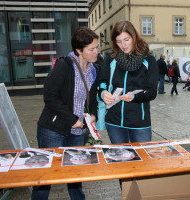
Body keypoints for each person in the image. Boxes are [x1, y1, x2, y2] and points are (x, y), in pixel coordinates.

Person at [31, 27, 100, 200]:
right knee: (46, 175)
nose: (96, 52)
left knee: (75, 173)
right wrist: (71, 120)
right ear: (79, 50)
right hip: (53, 129)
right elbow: (50, 96)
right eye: (91, 49)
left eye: (97, 47)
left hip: (77, 132)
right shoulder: (65, 66)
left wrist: (93, 114)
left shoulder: (93, 69)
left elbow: (93, 97)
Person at [98, 20, 158, 145]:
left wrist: (134, 97)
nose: (123, 45)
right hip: (114, 121)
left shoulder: (149, 60)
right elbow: (102, 81)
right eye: (119, 41)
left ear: (134, 37)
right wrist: (103, 92)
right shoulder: (111, 58)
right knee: (120, 160)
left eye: (126, 40)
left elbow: (152, 92)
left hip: (139, 123)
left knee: (142, 160)